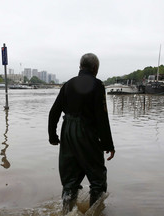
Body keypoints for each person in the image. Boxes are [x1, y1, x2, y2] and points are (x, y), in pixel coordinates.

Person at [48, 53, 115, 213]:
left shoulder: (68, 85)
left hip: (67, 132)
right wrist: (108, 144)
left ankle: (66, 211)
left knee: (70, 181)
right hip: (86, 132)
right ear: (95, 68)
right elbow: (101, 117)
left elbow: (54, 112)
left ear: (80, 66)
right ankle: (95, 212)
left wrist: (53, 136)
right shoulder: (97, 85)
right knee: (97, 179)